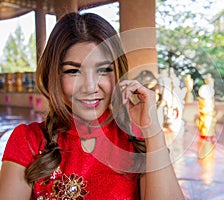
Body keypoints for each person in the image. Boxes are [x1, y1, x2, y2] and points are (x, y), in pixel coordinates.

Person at [0, 12, 184, 200]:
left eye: (103, 70)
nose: (89, 87)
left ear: (119, 73)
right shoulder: (28, 141)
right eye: (73, 71)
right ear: (53, 76)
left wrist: (152, 131)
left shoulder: (137, 141)